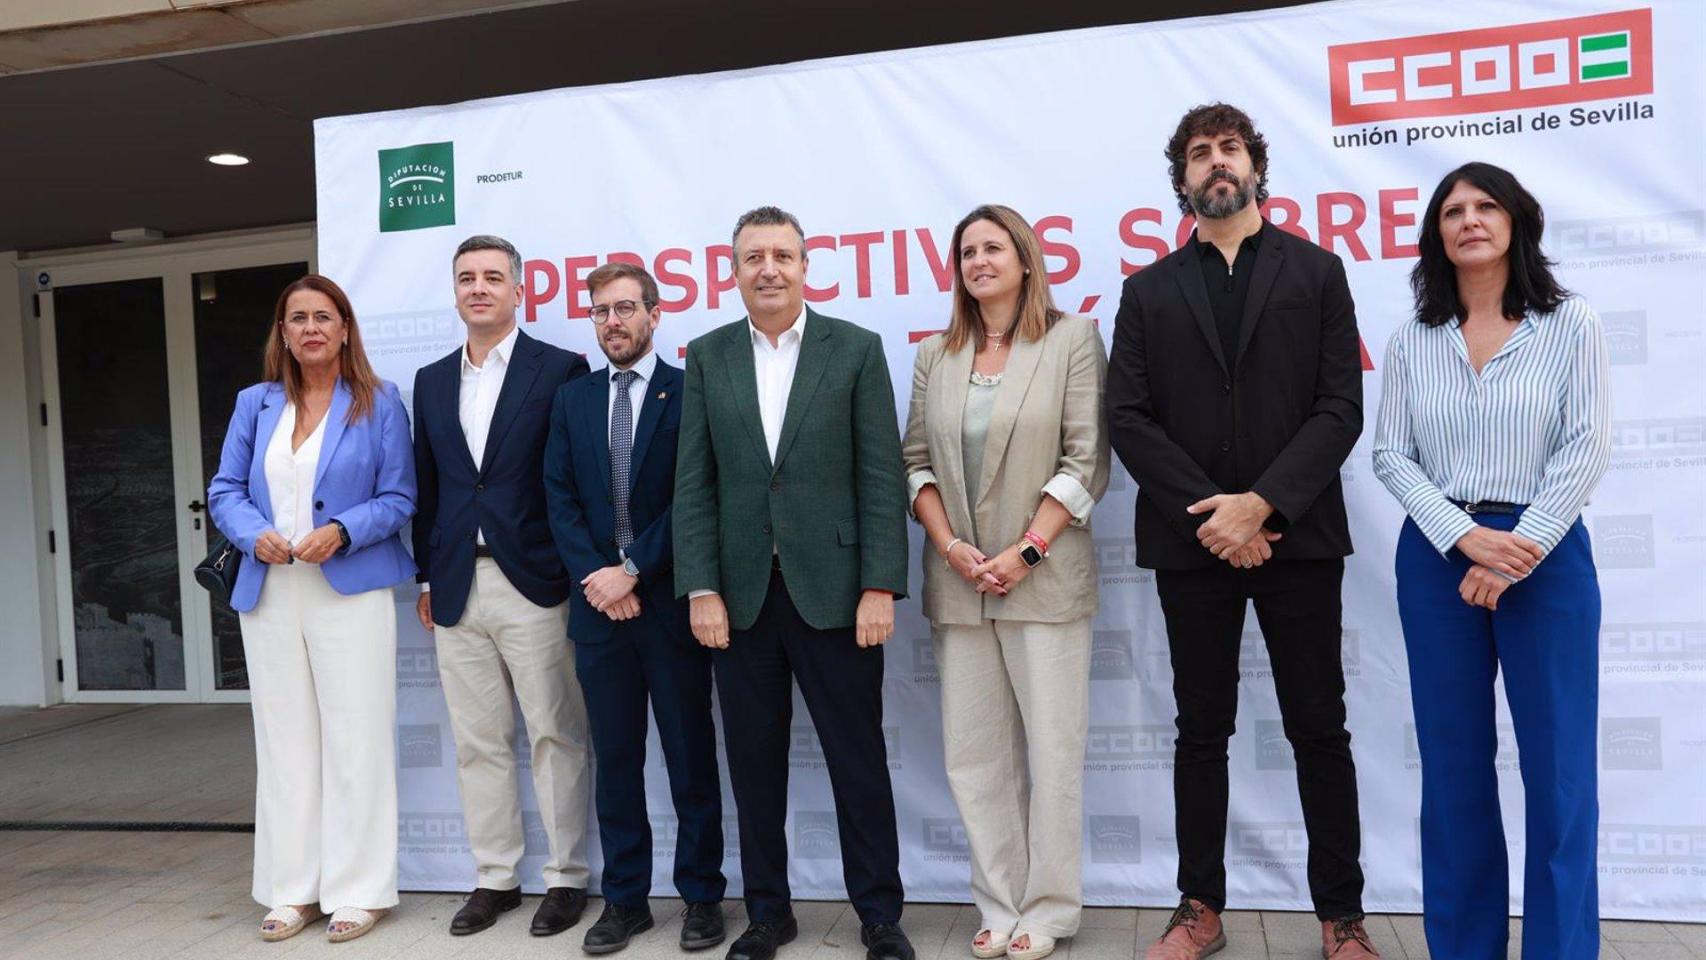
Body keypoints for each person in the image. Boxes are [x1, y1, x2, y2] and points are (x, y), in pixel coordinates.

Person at [1104, 104, 1381, 960]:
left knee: (1319, 728)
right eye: (1198, 154)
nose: (1214, 164)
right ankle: (1200, 908)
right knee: (1201, 728)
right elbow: (1130, 417)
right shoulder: (1147, 291)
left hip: (1295, 537)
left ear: (1255, 165)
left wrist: (1262, 504)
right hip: (1194, 545)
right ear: (1181, 180)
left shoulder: (1319, 272)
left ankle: (1342, 918)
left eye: (1229, 149)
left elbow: (1341, 408)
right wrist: (1216, 514)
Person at [1373, 162, 1610, 960]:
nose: (1469, 219)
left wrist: (1516, 551)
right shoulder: (1414, 338)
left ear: (1516, 221)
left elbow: (1586, 447)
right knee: (1454, 774)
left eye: (1486, 206)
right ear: (1436, 233)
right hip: (1441, 556)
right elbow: (1391, 455)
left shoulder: (1570, 323)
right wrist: (1461, 537)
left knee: (1559, 778)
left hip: (1544, 555)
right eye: (1452, 210)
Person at [674, 206, 914, 960]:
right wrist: (701, 588)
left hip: (838, 593)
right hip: (740, 599)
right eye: (753, 258)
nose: (768, 268)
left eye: (781, 255)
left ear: (807, 266)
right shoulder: (708, 356)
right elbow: (694, 485)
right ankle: (768, 915)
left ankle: (879, 915)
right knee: (752, 766)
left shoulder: (855, 349)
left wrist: (880, 583)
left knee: (858, 761)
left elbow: (881, 476)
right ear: (734, 271)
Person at [900, 204, 1108, 960]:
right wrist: (952, 546)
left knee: (1054, 751)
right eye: (967, 253)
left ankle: (1049, 909)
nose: (979, 261)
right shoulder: (935, 354)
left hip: (1041, 583)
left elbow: (1086, 461)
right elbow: (914, 461)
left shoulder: (1072, 339)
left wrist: (1024, 552)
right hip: (960, 583)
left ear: (1024, 258)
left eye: (993, 248)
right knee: (974, 753)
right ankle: (996, 899)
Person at [207, 274, 416, 944]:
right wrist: (250, 532)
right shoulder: (255, 403)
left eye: (323, 316)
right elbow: (225, 488)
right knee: (286, 742)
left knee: (356, 739)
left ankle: (358, 890)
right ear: (284, 333)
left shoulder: (379, 403)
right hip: (269, 591)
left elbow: (399, 495)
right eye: (297, 318)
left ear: (345, 328)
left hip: (346, 587)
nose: (311, 329)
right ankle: (292, 889)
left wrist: (345, 529)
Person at [412, 234, 595, 938]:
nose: (479, 288)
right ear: (455, 291)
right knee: (477, 741)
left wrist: (573, 571)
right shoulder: (430, 381)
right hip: (458, 586)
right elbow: (430, 490)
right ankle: (495, 877)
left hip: (536, 582)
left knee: (556, 733)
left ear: (521, 290)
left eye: (494, 277)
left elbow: (572, 483)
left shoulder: (561, 368)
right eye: (467, 278)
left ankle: (567, 878)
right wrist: (428, 575)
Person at [544, 262, 727, 955]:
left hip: (668, 602)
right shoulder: (574, 400)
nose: (612, 322)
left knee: (689, 757)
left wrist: (631, 570)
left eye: (625, 309)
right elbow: (556, 496)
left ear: (654, 314)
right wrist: (598, 576)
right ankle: (625, 901)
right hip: (597, 608)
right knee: (616, 761)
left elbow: (696, 496)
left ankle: (703, 898)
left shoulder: (689, 392)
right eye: (600, 311)